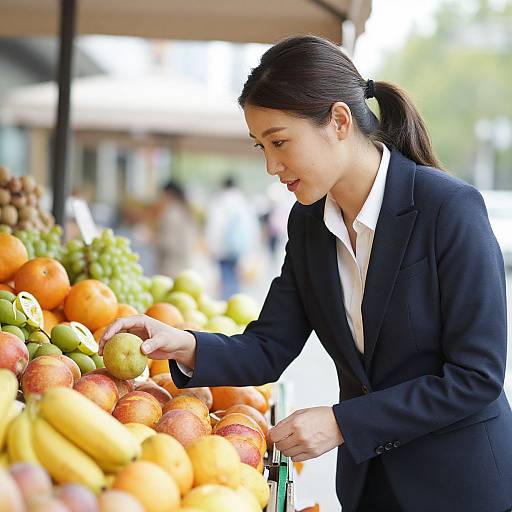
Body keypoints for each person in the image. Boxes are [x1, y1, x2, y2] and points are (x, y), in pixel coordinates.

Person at [100, 35, 512, 512]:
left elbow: (476, 377)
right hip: (369, 490)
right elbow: (269, 346)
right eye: (261, 147)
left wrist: (342, 423)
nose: (272, 166)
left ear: (338, 121)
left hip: (462, 488)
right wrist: (184, 343)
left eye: (279, 142)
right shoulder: (309, 222)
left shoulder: (449, 209)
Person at [204, 176, 259, 299]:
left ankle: (228, 302)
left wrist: (212, 247)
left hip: (223, 248)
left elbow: (216, 226)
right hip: (240, 248)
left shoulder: (220, 200)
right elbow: (252, 227)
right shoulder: (243, 201)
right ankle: (235, 301)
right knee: (235, 278)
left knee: (226, 277)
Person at [154, 181, 196, 277]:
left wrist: (151, 238)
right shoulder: (185, 210)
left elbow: (168, 242)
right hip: (185, 263)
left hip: (172, 265)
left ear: (168, 194)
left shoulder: (172, 213)